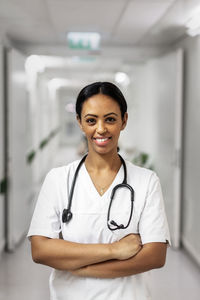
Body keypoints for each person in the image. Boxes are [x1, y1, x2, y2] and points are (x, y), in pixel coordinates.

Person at [28, 81, 170, 300]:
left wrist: (82, 268)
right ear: (80, 123)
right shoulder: (58, 180)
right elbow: (40, 250)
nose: (101, 129)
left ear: (124, 121)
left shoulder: (146, 181)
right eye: (91, 120)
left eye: (110, 119)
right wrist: (114, 250)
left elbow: (155, 256)